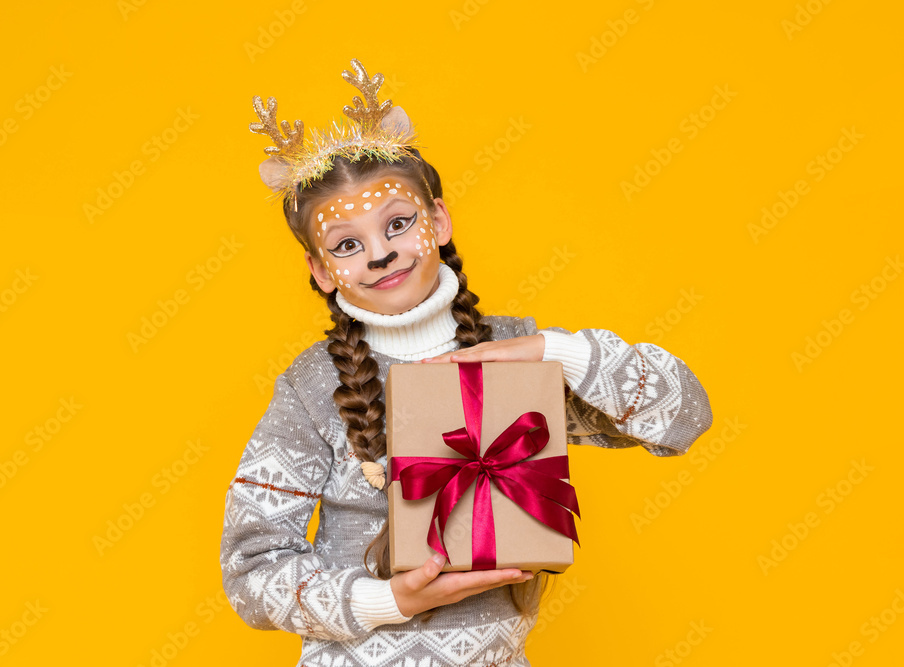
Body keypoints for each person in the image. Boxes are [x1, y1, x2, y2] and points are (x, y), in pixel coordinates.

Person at [221, 58, 713, 666]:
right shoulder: (310, 387)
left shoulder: (519, 353)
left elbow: (683, 416)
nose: (380, 254)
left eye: (398, 224)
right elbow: (250, 572)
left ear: (439, 221)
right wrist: (386, 601)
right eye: (347, 244)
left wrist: (553, 351)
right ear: (322, 272)